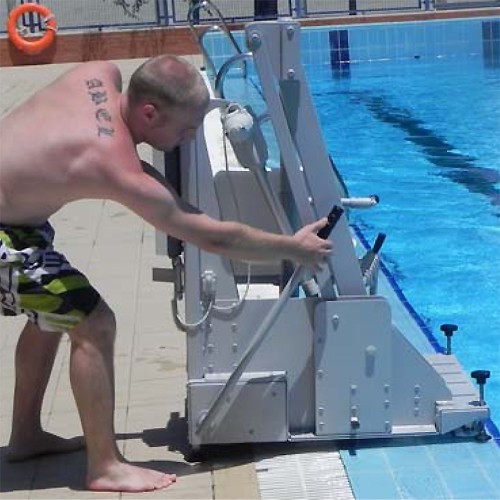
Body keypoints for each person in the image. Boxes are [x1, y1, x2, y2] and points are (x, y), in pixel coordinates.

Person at [0, 55, 332, 492]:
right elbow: (213, 238)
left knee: (53, 307)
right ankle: (104, 467)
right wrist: (293, 247)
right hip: (5, 235)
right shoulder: (113, 165)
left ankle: (26, 436)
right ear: (149, 113)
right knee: (92, 322)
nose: (188, 139)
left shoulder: (96, 74)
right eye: (185, 129)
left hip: (16, 221)